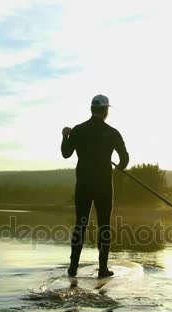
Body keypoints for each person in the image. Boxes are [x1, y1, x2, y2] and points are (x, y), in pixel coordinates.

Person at [61, 94, 129, 278]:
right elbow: (124, 159)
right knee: (104, 226)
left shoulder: (78, 130)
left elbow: (66, 153)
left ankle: (73, 268)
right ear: (106, 111)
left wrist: (65, 136)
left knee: (80, 225)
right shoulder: (112, 133)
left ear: (92, 109)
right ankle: (103, 269)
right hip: (104, 186)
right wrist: (117, 171)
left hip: (83, 184)